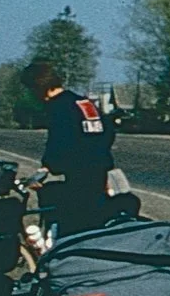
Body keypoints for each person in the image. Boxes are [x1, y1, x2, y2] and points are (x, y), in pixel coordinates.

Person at [23, 60, 118, 238]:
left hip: (79, 173)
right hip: (100, 168)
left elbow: (59, 141)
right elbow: (108, 131)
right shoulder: (84, 102)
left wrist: (48, 167)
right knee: (95, 218)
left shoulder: (58, 106)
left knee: (73, 222)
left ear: (39, 87)